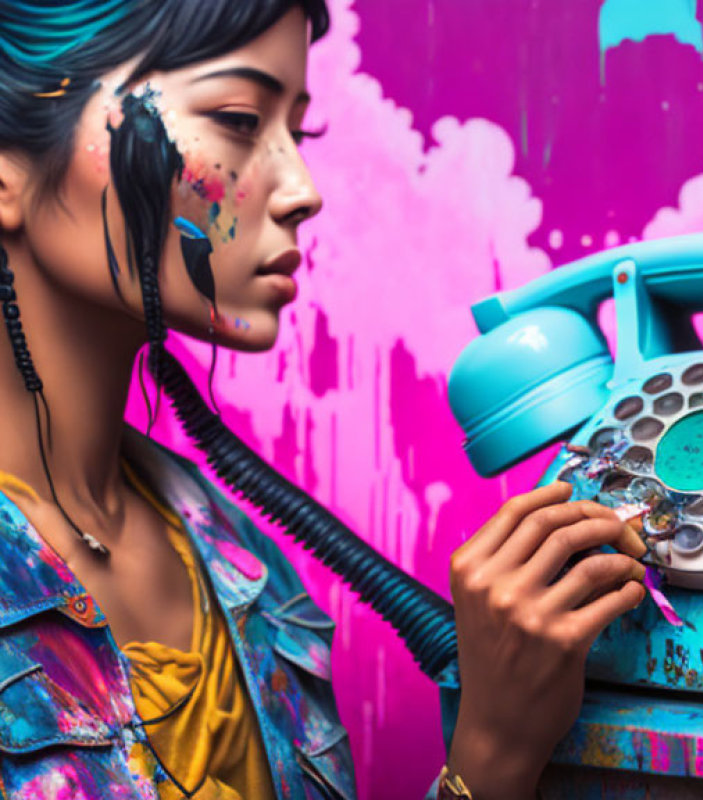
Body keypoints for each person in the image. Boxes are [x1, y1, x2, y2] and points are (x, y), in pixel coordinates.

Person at [0, 2, 648, 798]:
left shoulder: (243, 564)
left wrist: (496, 740)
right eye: (237, 118)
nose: (302, 192)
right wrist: (491, 754)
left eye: (296, 136)